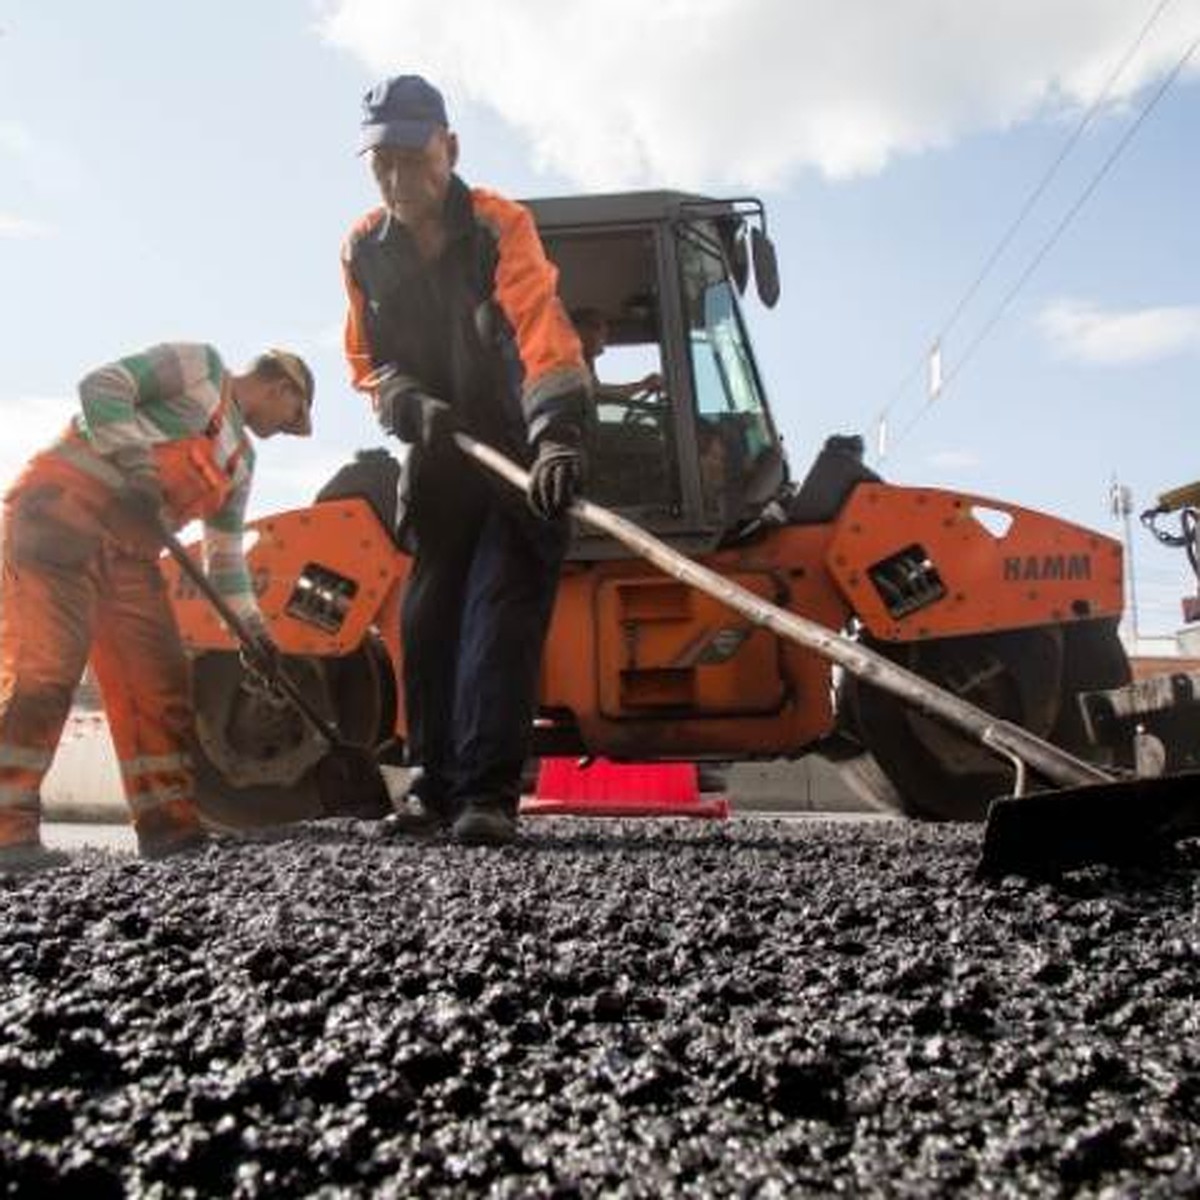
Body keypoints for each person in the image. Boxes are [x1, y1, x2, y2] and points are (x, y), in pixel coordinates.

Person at [341, 73, 592, 846]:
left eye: (413, 158)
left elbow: (540, 327)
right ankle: (429, 791)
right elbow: (366, 359)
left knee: (498, 613)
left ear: (448, 148)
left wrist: (556, 434)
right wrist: (403, 399)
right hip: (441, 450)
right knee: (428, 619)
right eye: (380, 162)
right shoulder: (362, 249)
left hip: (516, 451)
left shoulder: (497, 226)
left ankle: (486, 794)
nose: (397, 177)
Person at [0, 343, 314, 874]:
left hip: (127, 555)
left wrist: (253, 633)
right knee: (45, 672)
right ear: (282, 386)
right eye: (295, 415)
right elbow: (102, 385)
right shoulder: (200, 368)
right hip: (60, 517)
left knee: (160, 679)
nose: (291, 427)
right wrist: (136, 465)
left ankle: (169, 827)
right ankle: (7, 834)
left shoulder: (242, 463)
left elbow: (226, 559)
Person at [570, 306, 663, 403]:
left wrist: (644, 384)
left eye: (604, 329)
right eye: (596, 327)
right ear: (578, 332)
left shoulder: (584, 365)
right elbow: (599, 394)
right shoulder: (569, 366)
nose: (604, 334)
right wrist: (644, 385)